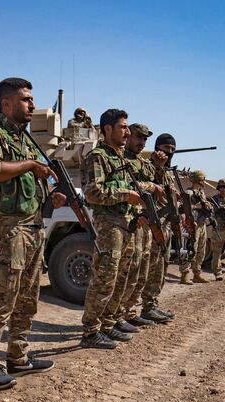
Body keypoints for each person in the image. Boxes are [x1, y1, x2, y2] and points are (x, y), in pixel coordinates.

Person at [0, 77, 65, 390]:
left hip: (33, 227)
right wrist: (29, 166)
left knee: (28, 298)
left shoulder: (26, 141)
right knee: (2, 299)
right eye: (25, 100)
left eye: (31, 99)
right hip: (8, 230)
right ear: (6, 103)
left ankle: (18, 356)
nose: (32, 105)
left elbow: (29, 184)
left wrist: (50, 198)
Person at [80, 109, 151, 349]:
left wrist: (138, 207)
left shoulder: (120, 158)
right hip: (109, 225)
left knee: (121, 278)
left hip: (127, 224)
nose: (127, 132)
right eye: (123, 127)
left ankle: (108, 324)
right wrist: (126, 195)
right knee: (104, 279)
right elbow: (92, 192)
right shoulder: (97, 157)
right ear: (107, 129)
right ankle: (90, 331)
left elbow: (133, 186)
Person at [116, 123, 165, 328]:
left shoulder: (141, 162)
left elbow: (157, 180)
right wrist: (152, 186)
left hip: (145, 220)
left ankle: (129, 311)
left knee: (141, 269)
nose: (141, 142)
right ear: (128, 136)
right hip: (130, 220)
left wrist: (159, 167)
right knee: (128, 269)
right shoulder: (122, 159)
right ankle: (118, 315)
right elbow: (129, 185)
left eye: (144, 139)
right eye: (138, 137)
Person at [140, 133, 176, 324]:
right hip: (152, 224)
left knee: (161, 266)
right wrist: (157, 166)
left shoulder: (168, 171)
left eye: (172, 150)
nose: (168, 153)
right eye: (165, 149)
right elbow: (147, 186)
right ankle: (145, 307)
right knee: (150, 267)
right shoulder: (150, 164)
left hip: (166, 225)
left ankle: (151, 305)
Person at [179, 170, 212, 284]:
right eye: (203, 179)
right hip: (192, 224)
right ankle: (185, 274)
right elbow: (181, 208)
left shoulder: (201, 193)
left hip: (201, 224)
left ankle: (197, 274)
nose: (204, 181)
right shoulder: (189, 193)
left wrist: (207, 206)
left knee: (201, 250)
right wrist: (195, 206)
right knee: (189, 249)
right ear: (198, 180)